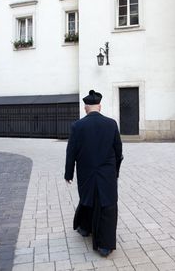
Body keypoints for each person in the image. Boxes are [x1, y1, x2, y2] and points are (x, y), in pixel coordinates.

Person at [64, 89, 123, 257]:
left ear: (85, 108)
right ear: (100, 106)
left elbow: (71, 152)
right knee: (107, 206)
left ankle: (84, 228)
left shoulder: (77, 126)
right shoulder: (111, 124)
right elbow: (118, 151)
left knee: (88, 199)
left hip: (86, 173)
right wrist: (115, 171)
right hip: (107, 174)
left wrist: (69, 174)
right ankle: (105, 246)